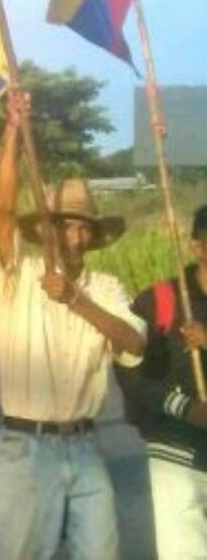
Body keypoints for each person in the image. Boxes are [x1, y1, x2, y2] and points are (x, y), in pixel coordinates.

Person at [0, 89, 147, 560]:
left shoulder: (105, 287)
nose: (73, 235)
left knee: (102, 552)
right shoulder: (17, 274)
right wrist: (15, 129)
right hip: (26, 446)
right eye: (63, 224)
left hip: (84, 446)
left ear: (92, 236)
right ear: (44, 229)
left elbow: (133, 339)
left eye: (82, 227)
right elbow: (2, 210)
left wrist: (75, 299)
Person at [115, 204, 207, 559]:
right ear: (197, 247)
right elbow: (128, 369)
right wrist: (185, 408)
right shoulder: (159, 300)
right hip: (176, 448)